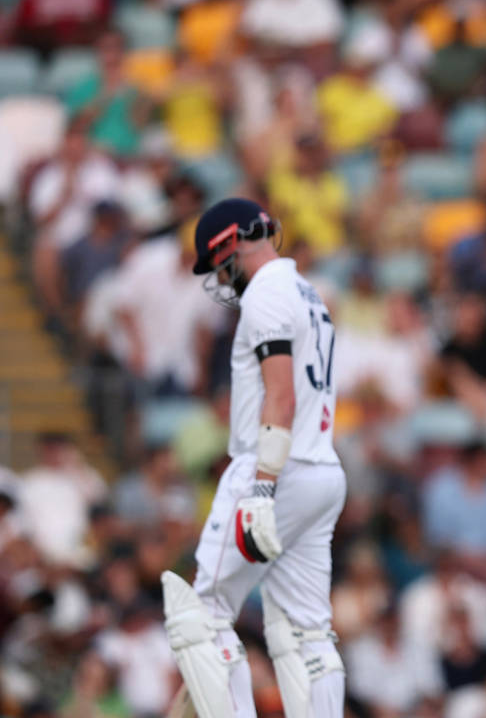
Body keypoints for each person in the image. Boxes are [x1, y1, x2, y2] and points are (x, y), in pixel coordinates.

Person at [161, 198, 346, 718]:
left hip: (274, 469)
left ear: (231, 243)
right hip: (322, 470)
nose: (221, 279)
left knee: (202, 614)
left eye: (219, 264)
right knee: (306, 631)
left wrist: (262, 486)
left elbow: (280, 396)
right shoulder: (308, 292)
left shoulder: (265, 294)